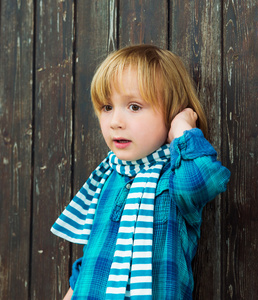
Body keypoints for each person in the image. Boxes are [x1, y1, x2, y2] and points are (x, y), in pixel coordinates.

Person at [51, 44, 230, 300]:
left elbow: (201, 181)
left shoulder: (175, 175)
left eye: (134, 106)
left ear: (172, 112)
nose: (115, 122)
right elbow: (95, 251)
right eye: (107, 107)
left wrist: (182, 129)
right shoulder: (108, 176)